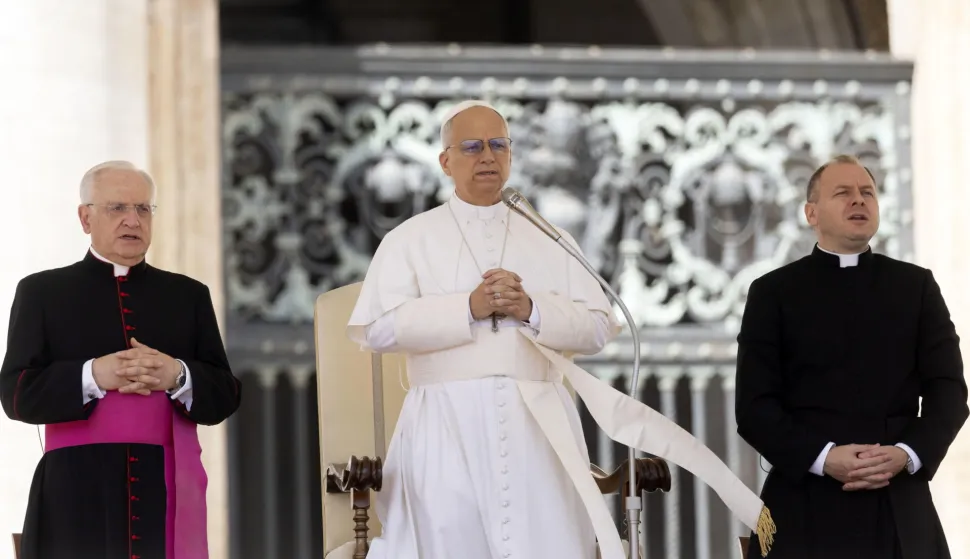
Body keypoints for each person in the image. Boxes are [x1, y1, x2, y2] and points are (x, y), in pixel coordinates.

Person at [347, 100, 776, 559]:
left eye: (498, 145)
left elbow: (596, 328)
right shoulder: (408, 239)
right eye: (471, 147)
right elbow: (376, 330)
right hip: (442, 427)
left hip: (539, 431)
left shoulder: (550, 237)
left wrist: (532, 309)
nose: (487, 156)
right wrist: (467, 308)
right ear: (445, 161)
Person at [0, 161, 242, 559]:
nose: (133, 220)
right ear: (85, 217)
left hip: (163, 488)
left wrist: (177, 375)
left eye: (144, 209)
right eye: (117, 208)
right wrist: (94, 375)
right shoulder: (42, 292)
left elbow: (226, 395)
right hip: (74, 492)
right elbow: (15, 395)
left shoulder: (188, 296)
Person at [735, 154, 968, 558]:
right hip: (804, 500)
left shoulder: (916, 287)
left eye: (867, 193)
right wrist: (824, 458)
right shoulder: (772, 293)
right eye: (842, 193)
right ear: (811, 213)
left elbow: (949, 393)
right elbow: (754, 407)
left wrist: (905, 455)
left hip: (898, 500)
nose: (858, 201)